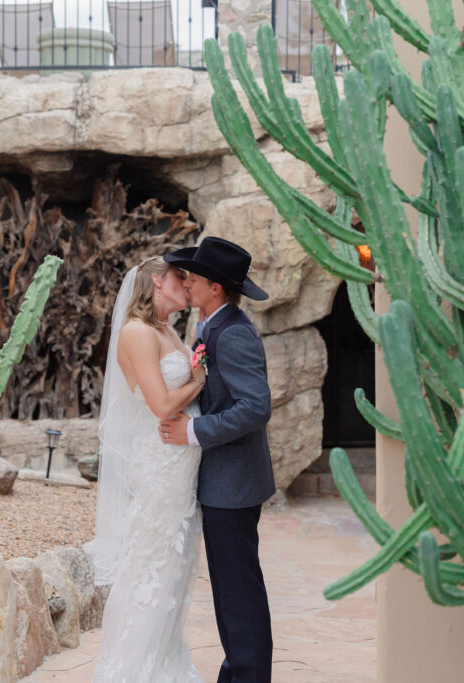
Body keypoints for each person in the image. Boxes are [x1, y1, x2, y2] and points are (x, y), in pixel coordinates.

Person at [159, 236, 276, 683]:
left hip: (235, 484)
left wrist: (194, 431)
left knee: (239, 590)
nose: (185, 282)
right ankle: (237, 670)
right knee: (230, 590)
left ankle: (249, 675)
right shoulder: (209, 327)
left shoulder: (235, 334)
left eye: (193, 278)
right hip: (222, 481)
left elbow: (255, 406)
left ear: (216, 288)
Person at [93, 256, 207, 682]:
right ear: (157, 282)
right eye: (181, 277)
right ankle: (133, 670)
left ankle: (164, 661)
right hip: (161, 465)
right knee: (151, 565)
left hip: (180, 468)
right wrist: (199, 380)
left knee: (174, 566)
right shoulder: (138, 333)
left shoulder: (166, 330)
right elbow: (159, 405)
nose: (187, 282)